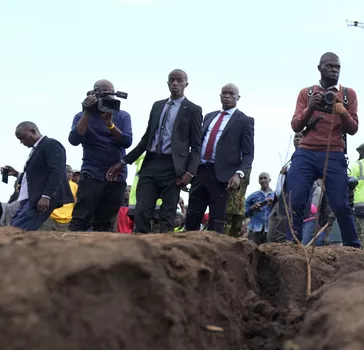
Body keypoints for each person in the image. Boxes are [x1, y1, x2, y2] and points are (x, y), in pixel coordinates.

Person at [108, 69, 203, 233]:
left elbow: (196, 147)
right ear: (167, 83)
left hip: (173, 167)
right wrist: (123, 162)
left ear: (186, 84)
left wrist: (190, 173)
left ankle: (164, 254)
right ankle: (139, 251)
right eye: (172, 80)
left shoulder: (193, 110)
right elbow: (146, 139)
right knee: (142, 211)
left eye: (179, 80)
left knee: (168, 215)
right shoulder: (158, 106)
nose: (175, 83)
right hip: (151, 163)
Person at [285, 52, 361, 248]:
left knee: (341, 205)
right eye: (329, 66)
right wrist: (311, 107)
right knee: (294, 200)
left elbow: (353, 129)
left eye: (337, 67)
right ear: (319, 68)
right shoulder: (307, 93)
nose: (334, 70)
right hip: (306, 152)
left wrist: (341, 109)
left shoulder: (347, 94)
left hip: (334, 152)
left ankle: (353, 247)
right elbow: (295, 125)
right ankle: (292, 245)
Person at [184, 84, 254, 233]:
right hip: (200, 171)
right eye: (224, 93)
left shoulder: (244, 121)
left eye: (231, 93)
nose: (227, 96)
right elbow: (197, 145)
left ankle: (213, 254)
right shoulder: (209, 116)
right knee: (192, 217)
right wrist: (188, 170)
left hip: (222, 177)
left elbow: (248, 153)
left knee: (217, 221)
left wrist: (239, 174)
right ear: (220, 96)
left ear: (238, 97)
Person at [68, 79, 133, 232]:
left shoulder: (122, 116)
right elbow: (74, 139)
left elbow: (127, 141)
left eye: (111, 95)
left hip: (116, 176)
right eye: (104, 94)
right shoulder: (81, 116)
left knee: (105, 222)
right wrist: (87, 112)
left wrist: (110, 124)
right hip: (92, 174)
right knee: (80, 219)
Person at [8, 122, 76, 231]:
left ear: (33, 132)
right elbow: (36, 176)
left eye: (22, 138)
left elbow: (57, 171)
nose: (21, 142)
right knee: (15, 227)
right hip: (29, 198)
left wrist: (46, 196)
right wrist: (17, 174)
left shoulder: (51, 144)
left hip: (40, 198)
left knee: (17, 230)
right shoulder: (36, 149)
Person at [39, 165, 78, 232]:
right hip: (50, 218)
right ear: (63, 172)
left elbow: (76, 202)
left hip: (66, 220)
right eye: (68, 172)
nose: (71, 174)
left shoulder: (75, 186)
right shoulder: (54, 182)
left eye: (72, 172)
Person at [244, 172, 275, 244]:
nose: (263, 180)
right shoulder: (252, 196)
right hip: (254, 229)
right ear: (258, 181)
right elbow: (244, 214)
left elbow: (281, 213)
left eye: (265, 178)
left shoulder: (276, 196)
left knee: (268, 252)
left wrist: (274, 204)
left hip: (270, 230)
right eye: (261, 178)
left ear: (270, 180)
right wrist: (252, 208)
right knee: (252, 251)